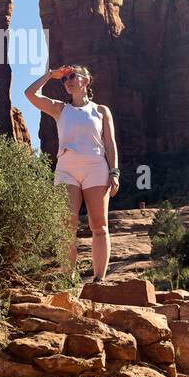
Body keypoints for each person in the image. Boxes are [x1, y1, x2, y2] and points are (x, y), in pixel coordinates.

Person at [24, 64, 119, 283]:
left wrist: (114, 172)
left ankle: (99, 279)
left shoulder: (101, 111)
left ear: (86, 81)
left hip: (96, 167)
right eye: (64, 79)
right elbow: (29, 94)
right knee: (67, 226)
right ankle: (69, 277)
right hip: (66, 169)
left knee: (99, 225)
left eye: (72, 76)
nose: (67, 81)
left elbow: (110, 144)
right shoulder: (59, 109)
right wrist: (50, 75)